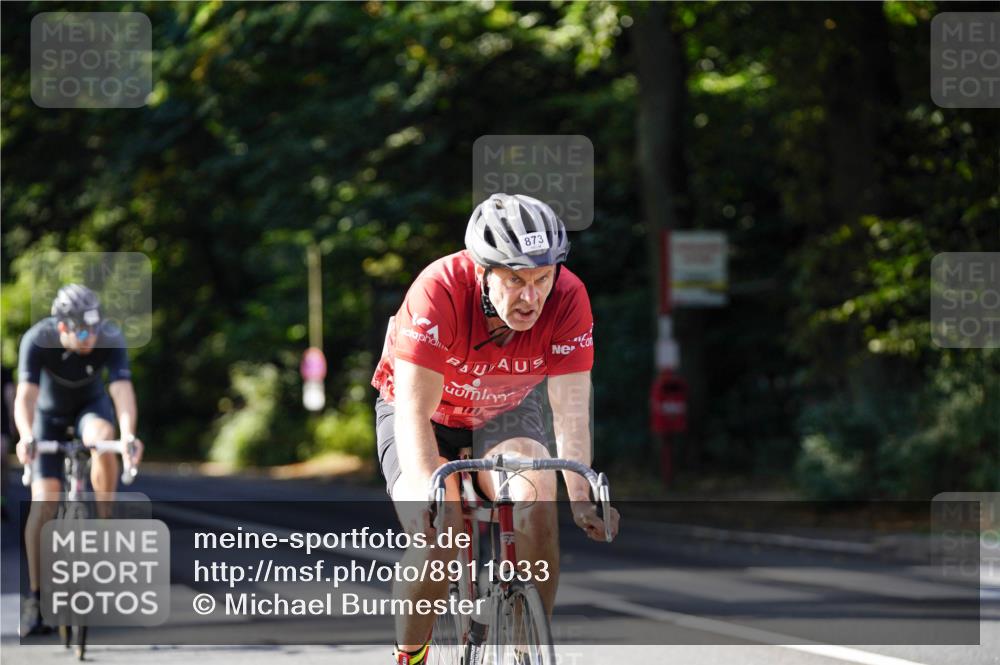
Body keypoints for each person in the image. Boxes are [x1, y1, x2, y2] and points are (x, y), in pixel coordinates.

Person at [371, 193, 620, 664]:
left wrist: (582, 496)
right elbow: (413, 412)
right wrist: (427, 494)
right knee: (440, 531)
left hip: (503, 412)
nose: (531, 297)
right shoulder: (439, 289)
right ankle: (410, 656)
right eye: (515, 280)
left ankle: (528, 649)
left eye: (542, 278)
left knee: (537, 495)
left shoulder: (569, 297)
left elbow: (570, 409)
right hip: (425, 415)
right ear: (482, 271)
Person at [14, 284, 144, 637]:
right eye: (83, 332)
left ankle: (104, 524)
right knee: (44, 503)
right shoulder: (37, 339)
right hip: (48, 417)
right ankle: (36, 598)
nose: (91, 338)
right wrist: (26, 436)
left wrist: (128, 435)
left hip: (91, 409)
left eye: (95, 329)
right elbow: (26, 397)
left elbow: (121, 391)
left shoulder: (109, 338)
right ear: (62, 328)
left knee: (104, 439)